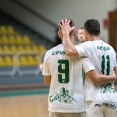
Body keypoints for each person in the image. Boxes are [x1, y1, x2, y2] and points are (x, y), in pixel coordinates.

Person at [42, 19, 116, 117]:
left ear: (59, 33)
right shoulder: (85, 52)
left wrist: (64, 33)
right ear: (75, 33)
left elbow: (47, 82)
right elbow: (97, 76)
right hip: (78, 105)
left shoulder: (49, 54)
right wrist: (112, 78)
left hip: (56, 105)